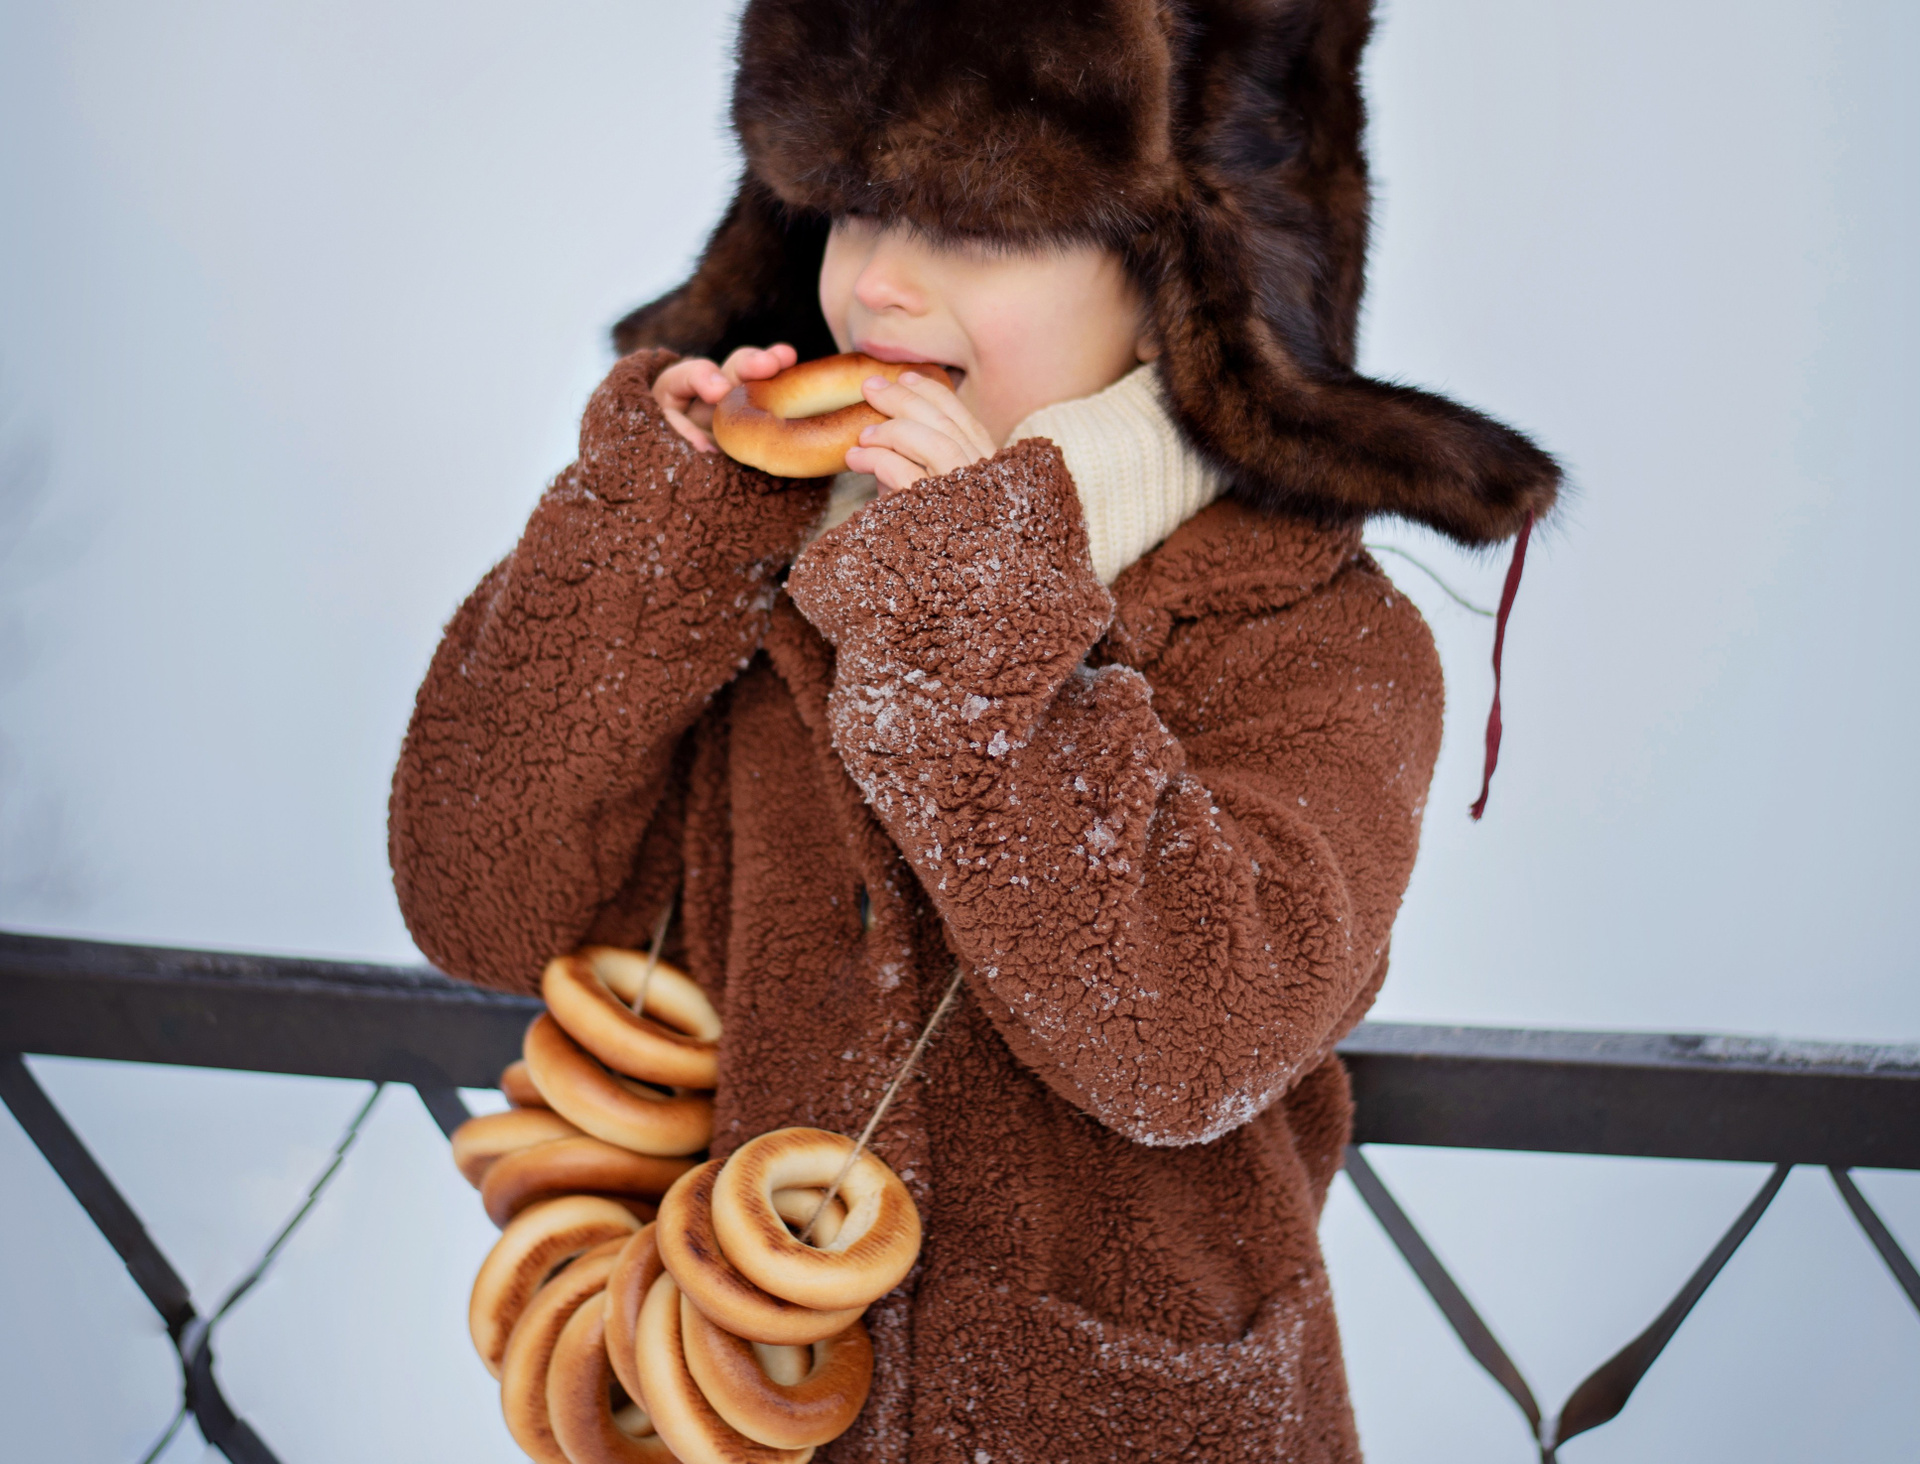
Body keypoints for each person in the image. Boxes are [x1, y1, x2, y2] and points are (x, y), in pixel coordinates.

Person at [389, 2, 1559, 1458]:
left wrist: (967, 618)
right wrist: (648, 539)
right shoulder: (745, 566)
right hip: (756, 1402)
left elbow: (1192, 1044)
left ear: (1174, 281)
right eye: (853, 208)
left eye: (979, 228)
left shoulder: (1309, 632)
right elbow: (482, 904)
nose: (880, 283)